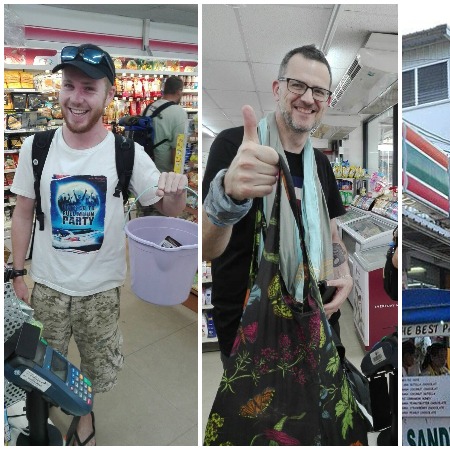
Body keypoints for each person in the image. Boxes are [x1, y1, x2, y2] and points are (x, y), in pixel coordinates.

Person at [9, 43, 188, 446]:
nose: (76, 97)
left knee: (94, 367)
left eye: (89, 88)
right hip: (49, 287)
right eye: (69, 85)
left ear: (109, 94)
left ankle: (85, 416)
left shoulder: (127, 153)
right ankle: (49, 408)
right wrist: (18, 271)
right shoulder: (36, 149)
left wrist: (175, 190)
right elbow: (23, 211)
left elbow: (168, 211)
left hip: (101, 292)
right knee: (44, 365)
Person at [202, 44, 351, 359]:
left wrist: (344, 273)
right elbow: (206, 248)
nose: (308, 98)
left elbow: (333, 233)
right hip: (249, 326)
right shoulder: (234, 146)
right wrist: (227, 195)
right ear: (277, 89)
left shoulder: (321, 166)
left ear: (326, 101)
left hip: (317, 318)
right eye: (297, 85)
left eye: (319, 91)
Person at [140, 76, 188, 216]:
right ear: (179, 91)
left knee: (146, 213)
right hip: (164, 178)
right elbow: (178, 150)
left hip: (145, 172)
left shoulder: (149, 107)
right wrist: (178, 177)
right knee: (162, 219)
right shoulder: (179, 113)